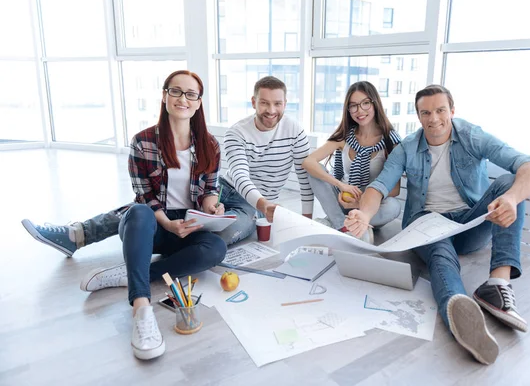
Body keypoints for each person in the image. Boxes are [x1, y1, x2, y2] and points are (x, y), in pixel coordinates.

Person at [344, 85, 530, 365]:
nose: (434, 118)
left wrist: (511, 199)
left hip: (470, 224)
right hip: (427, 223)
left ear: (452, 110)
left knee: (510, 183)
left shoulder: (472, 135)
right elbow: (379, 187)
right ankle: (459, 310)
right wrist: (364, 215)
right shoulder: (407, 147)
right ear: (418, 116)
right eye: (426, 112)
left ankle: (497, 283)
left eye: (440, 110)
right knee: (441, 254)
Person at [22, 76, 313, 257]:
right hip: (231, 191)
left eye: (277, 104)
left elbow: (305, 174)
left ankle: (147, 259)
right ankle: (78, 234)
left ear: (286, 104)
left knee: (221, 236)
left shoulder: (295, 130)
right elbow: (238, 173)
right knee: (150, 206)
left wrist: (307, 220)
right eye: (264, 103)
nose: (270, 110)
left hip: (250, 208)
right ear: (254, 102)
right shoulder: (238, 132)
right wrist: (259, 203)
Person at [68, 70, 227, 360]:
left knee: (216, 248)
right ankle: (142, 309)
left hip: (188, 224)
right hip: (151, 225)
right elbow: (144, 196)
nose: (183, 99)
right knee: (138, 212)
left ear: (199, 103)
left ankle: (130, 275)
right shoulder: (143, 142)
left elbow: (211, 189)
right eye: (176, 91)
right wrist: (167, 222)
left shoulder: (210, 145)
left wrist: (212, 207)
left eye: (191, 94)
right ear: (165, 96)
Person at [302, 81, 403, 244]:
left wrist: (362, 200)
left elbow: (395, 189)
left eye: (365, 103)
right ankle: (341, 225)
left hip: (372, 208)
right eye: (353, 105)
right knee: (314, 172)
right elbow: (309, 162)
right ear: (348, 110)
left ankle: (350, 224)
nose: (359, 111)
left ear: (375, 104)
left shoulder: (391, 141)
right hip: (344, 201)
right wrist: (341, 186)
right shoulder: (344, 136)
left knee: (394, 206)